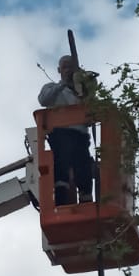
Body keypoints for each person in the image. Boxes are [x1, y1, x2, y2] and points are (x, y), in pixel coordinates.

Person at [38, 55, 97, 205]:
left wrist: (87, 84)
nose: (68, 70)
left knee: (83, 166)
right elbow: (44, 100)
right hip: (61, 135)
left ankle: (86, 198)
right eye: (65, 67)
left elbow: (92, 111)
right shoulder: (52, 88)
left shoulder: (82, 93)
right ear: (59, 70)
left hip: (80, 136)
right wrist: (63, 84)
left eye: (71, 67)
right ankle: (61, 196)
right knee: (61, 162)